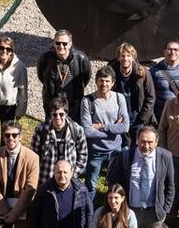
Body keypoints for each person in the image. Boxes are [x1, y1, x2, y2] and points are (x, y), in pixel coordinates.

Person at [106, 125, 175, 228]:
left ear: (156, 142)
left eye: (150, 142)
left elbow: (170, 186)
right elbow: (113, 183)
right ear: (137, 141)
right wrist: (118, 205)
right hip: (129, 209)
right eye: (143, 141)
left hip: (154, 211)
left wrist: (165, 209)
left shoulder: (165, 157)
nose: (146, 146)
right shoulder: (125, 157)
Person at [29, 158, 93, 228]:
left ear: (72, 173)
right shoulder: (44, 190)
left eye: (65, 172)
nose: (62, 175)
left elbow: (89, 211)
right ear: (53, 173)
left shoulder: (81, 189)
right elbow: (34, 214)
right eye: (58, 172)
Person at [0, 122, 39, 228]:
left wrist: (15, 213)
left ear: (20, 136)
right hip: (1, 204)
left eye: (14, 135)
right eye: (7, 135)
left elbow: (30, 189)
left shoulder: (32, 158)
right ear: (3, 137)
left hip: (24, 204)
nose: (11, 138)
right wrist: (4, 211)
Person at [81, 66, 130, 194]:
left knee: (114, 187)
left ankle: (112, 211)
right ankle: (88, 212)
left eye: (107, 81)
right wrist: (114, 129)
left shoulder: (119, 98)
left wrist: (102, 126)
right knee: (90, 186)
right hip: (96, 152)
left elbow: (125, 127)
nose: (104, 84)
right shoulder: (87, 101)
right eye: (101, 80)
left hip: (116, 151)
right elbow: (87, 131)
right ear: (96, 81)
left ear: (113, 83)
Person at [30, 96, 89, 184]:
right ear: (50, 114)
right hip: (46, 178)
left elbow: (83, 155)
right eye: (54, 114)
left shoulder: (77, 130)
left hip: (68, 181)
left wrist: (73, 174)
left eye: (61, 114)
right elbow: (33, 156)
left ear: (66, 114)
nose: (58, 117)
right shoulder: (41, 130)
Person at [37, 29, 92, 111]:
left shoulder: (81, 58)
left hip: (74, 104)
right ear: (54, 43)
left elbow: (86, 78)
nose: (61, 46)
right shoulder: (45, 58)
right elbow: (41, 76)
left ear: (70, 44)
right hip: (52, 104)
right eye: (58, 43)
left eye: (64, 43)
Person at [111, 43, 157, 135]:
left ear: (133, 58)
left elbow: (151, 97)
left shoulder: (143, 73)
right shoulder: (112, 73)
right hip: (120, 120)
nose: (125, 58)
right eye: (122, 56)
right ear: (118, 58)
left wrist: (142, 119)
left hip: (138, 120)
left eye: (128, 56)